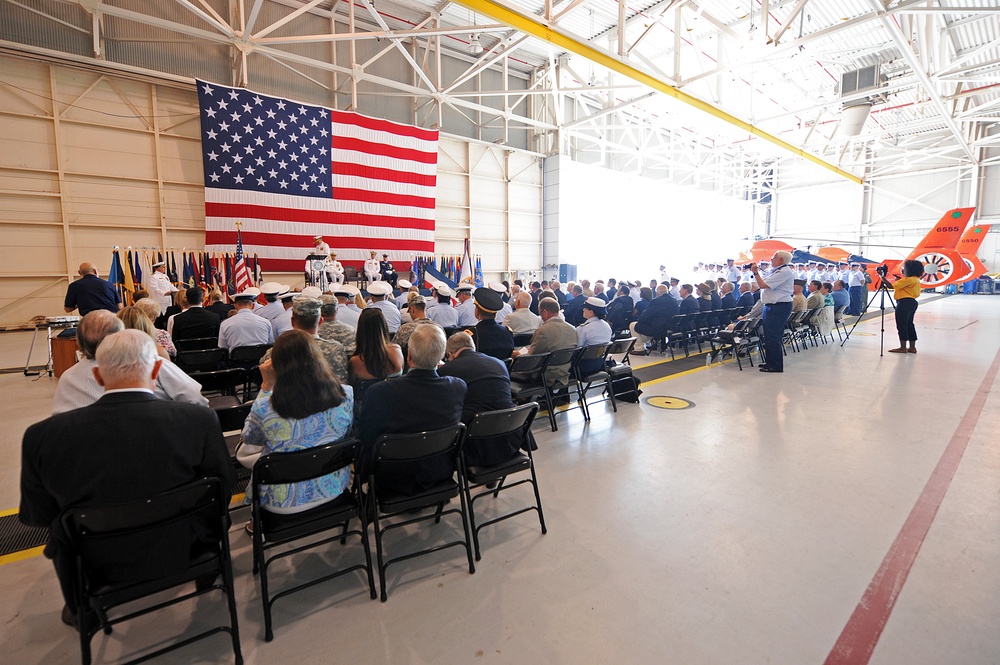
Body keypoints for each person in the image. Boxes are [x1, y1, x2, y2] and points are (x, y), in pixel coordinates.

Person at [21, 329, 233, 627]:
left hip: (97, 560)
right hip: (186, 547)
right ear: (157, 369)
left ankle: (81, 610)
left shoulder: (42, 437)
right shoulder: (198, 420)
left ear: (97, 376)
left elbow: (39, 515)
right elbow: (222, 490)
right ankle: (207, 573)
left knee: (59, 532)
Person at [238, 329, 354, 517]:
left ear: (277, 365)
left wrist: (266, 387)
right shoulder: (346, 394)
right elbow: (345, 432)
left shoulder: (264, 407)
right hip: (333, 486)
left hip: (281, 501)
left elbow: (249, 439)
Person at [359, 325, 466, 494]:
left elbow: (365, 438)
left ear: (408, 356)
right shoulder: (458, 387)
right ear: (442, 357)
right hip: (438, 470)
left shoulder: (380, 392)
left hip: (390, 476)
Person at [51, 311, 208, 414]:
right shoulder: (152, 362)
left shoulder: (67, 378)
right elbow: (196, 401)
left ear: (79, 342)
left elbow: (60, 422)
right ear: (120, 336)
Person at [439, 333, 529, 467]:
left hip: (475, 444)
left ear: (450, 353)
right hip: (511, 437)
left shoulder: (448, 369)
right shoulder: (499, 363)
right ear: (473, 347)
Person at [516, 298, 578, 388]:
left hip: (546, 373)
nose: (541, 316)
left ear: (545, 312)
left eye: (540, 313)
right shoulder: (573, 329)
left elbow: (533, 357)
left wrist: (518, 355)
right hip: (565, 370)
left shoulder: (543, 330)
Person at [348, 308, 404, 407]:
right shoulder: (396, 351)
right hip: (395, 408)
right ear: (384, 326)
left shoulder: (355, 361)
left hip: (366, 412)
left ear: (361, 330)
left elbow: (352, 388)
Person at [751, 251, 794, 373]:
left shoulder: (784, 272)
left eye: (774, 258)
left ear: (780, 260)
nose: (771, 259)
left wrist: (755, 272)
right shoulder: (776, 271)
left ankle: (775, 365)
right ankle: (771, 361)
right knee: (769, 335)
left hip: (778, 307)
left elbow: (763, 285)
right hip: (772, 306)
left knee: (773, 336)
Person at [886, 260, 924, 354]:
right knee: (909, 324)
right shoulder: (915, 279)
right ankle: (912, 347)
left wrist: (882, 276)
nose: (902, 270)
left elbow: (890, 286)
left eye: (904, 268)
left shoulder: (908, 280)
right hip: (912, 302)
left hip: (904, 303)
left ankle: (903, 347)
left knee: (901, 324)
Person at [469, 287, 515, 361]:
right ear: (495, 314)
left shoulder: (472, 334)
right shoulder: (507, 332)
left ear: (477, 312)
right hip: (503, 371)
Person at [576, 297, 613, 374]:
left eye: (585, 308)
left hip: (583, 366)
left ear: (591, 312)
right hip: (600, 363)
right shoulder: (606, 326)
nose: (583, 310)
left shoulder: (584, 328)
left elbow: (577, 347)